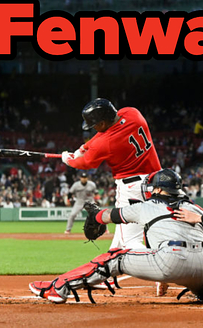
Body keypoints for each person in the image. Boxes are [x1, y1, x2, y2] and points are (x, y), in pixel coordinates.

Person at [28, 169, 203, 304]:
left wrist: (95, 215)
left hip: (171, 260)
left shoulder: (146, 206)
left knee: (115, 256)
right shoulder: (196, 208)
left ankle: (58, 287)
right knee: (201, 292)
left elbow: (111, 216)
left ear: (158, 188)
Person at [61, 98, 165, 294]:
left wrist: (69, 159)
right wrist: (84, 147)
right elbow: (98, 141)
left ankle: (165, 270)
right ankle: (101, 276)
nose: (93, 129)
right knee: (119, 241)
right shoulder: (132, 113)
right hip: (157, 182)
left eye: (94, 125)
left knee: (129, 243)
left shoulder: (105, 142)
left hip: (132, 188)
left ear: (101, 123)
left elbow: (86, 163)